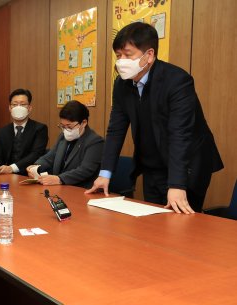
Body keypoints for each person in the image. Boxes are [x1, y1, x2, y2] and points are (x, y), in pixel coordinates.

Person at [86, 22, 223, 213]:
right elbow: (116, 128)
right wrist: (105, 173)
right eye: (118, 56)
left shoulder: (177, 81)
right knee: (154, 222)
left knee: (182, 226)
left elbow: (179, 134)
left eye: (128, 54)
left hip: (188, 164)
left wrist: (177, 184)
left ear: (149, 55)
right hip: (153, 165)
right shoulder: (121, 84)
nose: (121, 61)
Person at [26, 100, 104, 188]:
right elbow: (49, 157)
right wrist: (36, 167)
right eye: (63, 126)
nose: (66, 130)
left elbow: (85, 170)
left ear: (83, 123)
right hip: (60, 188)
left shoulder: (95, 141)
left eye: (69, 126)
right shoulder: (63, 137)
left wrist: (59, 179)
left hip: (81, 190)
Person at [0, 89, 48, 175]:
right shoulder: (3, 131)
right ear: (10, 108)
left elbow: (35, 155)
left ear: (29, 108)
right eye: (14, 104)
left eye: (22, 104)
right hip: (7, 176)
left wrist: (12, 168)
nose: (18, 107)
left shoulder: (40, 129)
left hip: (28, 175)